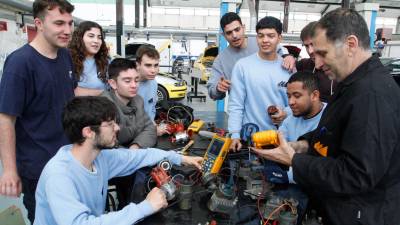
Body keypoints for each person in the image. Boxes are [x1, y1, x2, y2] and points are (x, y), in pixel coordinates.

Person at [252, 8, 400, 225]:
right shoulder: (353, 83)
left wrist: (294, 160)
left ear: (350, 44)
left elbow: (355, 175)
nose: (318, 64)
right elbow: (331, 130)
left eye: (323, 53)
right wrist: (302, 144)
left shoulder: (371, 95)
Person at [33, 96, 203, 225]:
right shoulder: (59, 175)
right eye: (110, 124)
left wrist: (181, 158)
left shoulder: (101, 158)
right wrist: (146, 206)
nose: (117, 128)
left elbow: (140, 155)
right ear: (88, 132)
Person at [0, 0, 75, 223]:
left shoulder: (65, 56)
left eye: (70, 23)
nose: (67, 30)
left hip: (68, 159)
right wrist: (10, 171)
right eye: (59, 23)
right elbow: (5, 119)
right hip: (38, 167)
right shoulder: (20, 63)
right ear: (39, 24)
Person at [228, 16, 292, 151]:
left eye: (271, 36)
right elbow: (236, 104)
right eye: (261, 36)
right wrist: (234, 134)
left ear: (279, 38)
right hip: (249, 138)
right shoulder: (242, 66)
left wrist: (285, 113)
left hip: (280, 140)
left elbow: (296, 104)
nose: (265, 40)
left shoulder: (289, 68)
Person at [101, 58, 157, 208]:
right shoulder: (104, 105)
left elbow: (150, 129)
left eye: (136, 80)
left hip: (130, 154)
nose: (134, 85)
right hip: (111, 163)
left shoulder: (137, 100)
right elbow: (112, 142)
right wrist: (137, 135)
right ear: (113, 84)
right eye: (127, 81)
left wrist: (136, 146)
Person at [207, 12, 296, 100]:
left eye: (237, 30)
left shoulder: (261, 42)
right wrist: (218, 88)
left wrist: (287, 56)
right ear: (223, 35)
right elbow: (212, 92)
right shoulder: (221, 60)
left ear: (244, 28)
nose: (234, 35)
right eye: (229, 33)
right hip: (241, 109)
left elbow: (279, 51)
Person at [279, 71, 326, 142]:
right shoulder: (288, 122)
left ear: (314, 95)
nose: (290, 102)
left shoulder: (332, 116)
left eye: (297, 96)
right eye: (288, 96)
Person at [296, 21, 336, 103]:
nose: (310, 51)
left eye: (313, 44)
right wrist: (287, 56)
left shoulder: (344, 70)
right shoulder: (305, 65)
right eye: (306, 46)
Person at [69, 21, 109, 96]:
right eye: (91, 36)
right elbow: (67, 90)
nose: (96, 41)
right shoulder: (67, 60)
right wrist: (103, 93)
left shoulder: (107, 62)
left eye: (99, 37)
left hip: (102, 106)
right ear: (80, 38)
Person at [136, 44, 168, 136]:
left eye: (156, 65)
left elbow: (151, 111)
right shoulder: (129, 86)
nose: (153, 70)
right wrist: (153, 131)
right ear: (138, 65)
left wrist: (155, 127)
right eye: (148, 65)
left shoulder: (153, 83)